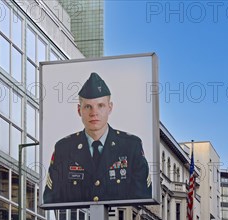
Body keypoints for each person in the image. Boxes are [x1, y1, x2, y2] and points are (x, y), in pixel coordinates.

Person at [43, 72, 151, 205]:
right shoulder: (64, 148)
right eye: (88, 106)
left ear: (110, 108)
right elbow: (51, 199)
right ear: (79, 110)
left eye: (100, 106)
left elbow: (143, 197)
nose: (94, 113)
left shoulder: (131, 146)